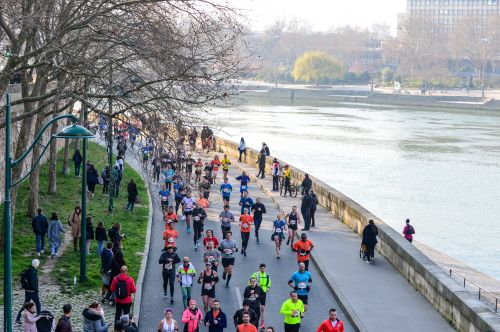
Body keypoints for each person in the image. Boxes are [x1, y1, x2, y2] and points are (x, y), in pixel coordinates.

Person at [16, 259, 41, 324]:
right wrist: (36, 290)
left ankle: (18, 318)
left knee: (25, 305)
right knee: (38, 304)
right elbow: (33, 283)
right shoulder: (33, 272)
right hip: (33, 292)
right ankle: (39, 318)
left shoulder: (28, 270)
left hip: (27, 291)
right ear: (37, 264)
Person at [250, 264, 271, 329]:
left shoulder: (267, 276)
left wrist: (268, 287)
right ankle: (252, 321)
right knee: (254, 308)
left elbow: (269, 282)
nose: (263, 269)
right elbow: (250, 282)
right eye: (262, 268)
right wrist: (253, 288)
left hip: (263, 293)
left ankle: (262, 323)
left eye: (264, 268)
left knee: (262, 309)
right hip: (256, 292)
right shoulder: (255, 274)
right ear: (259, 268)